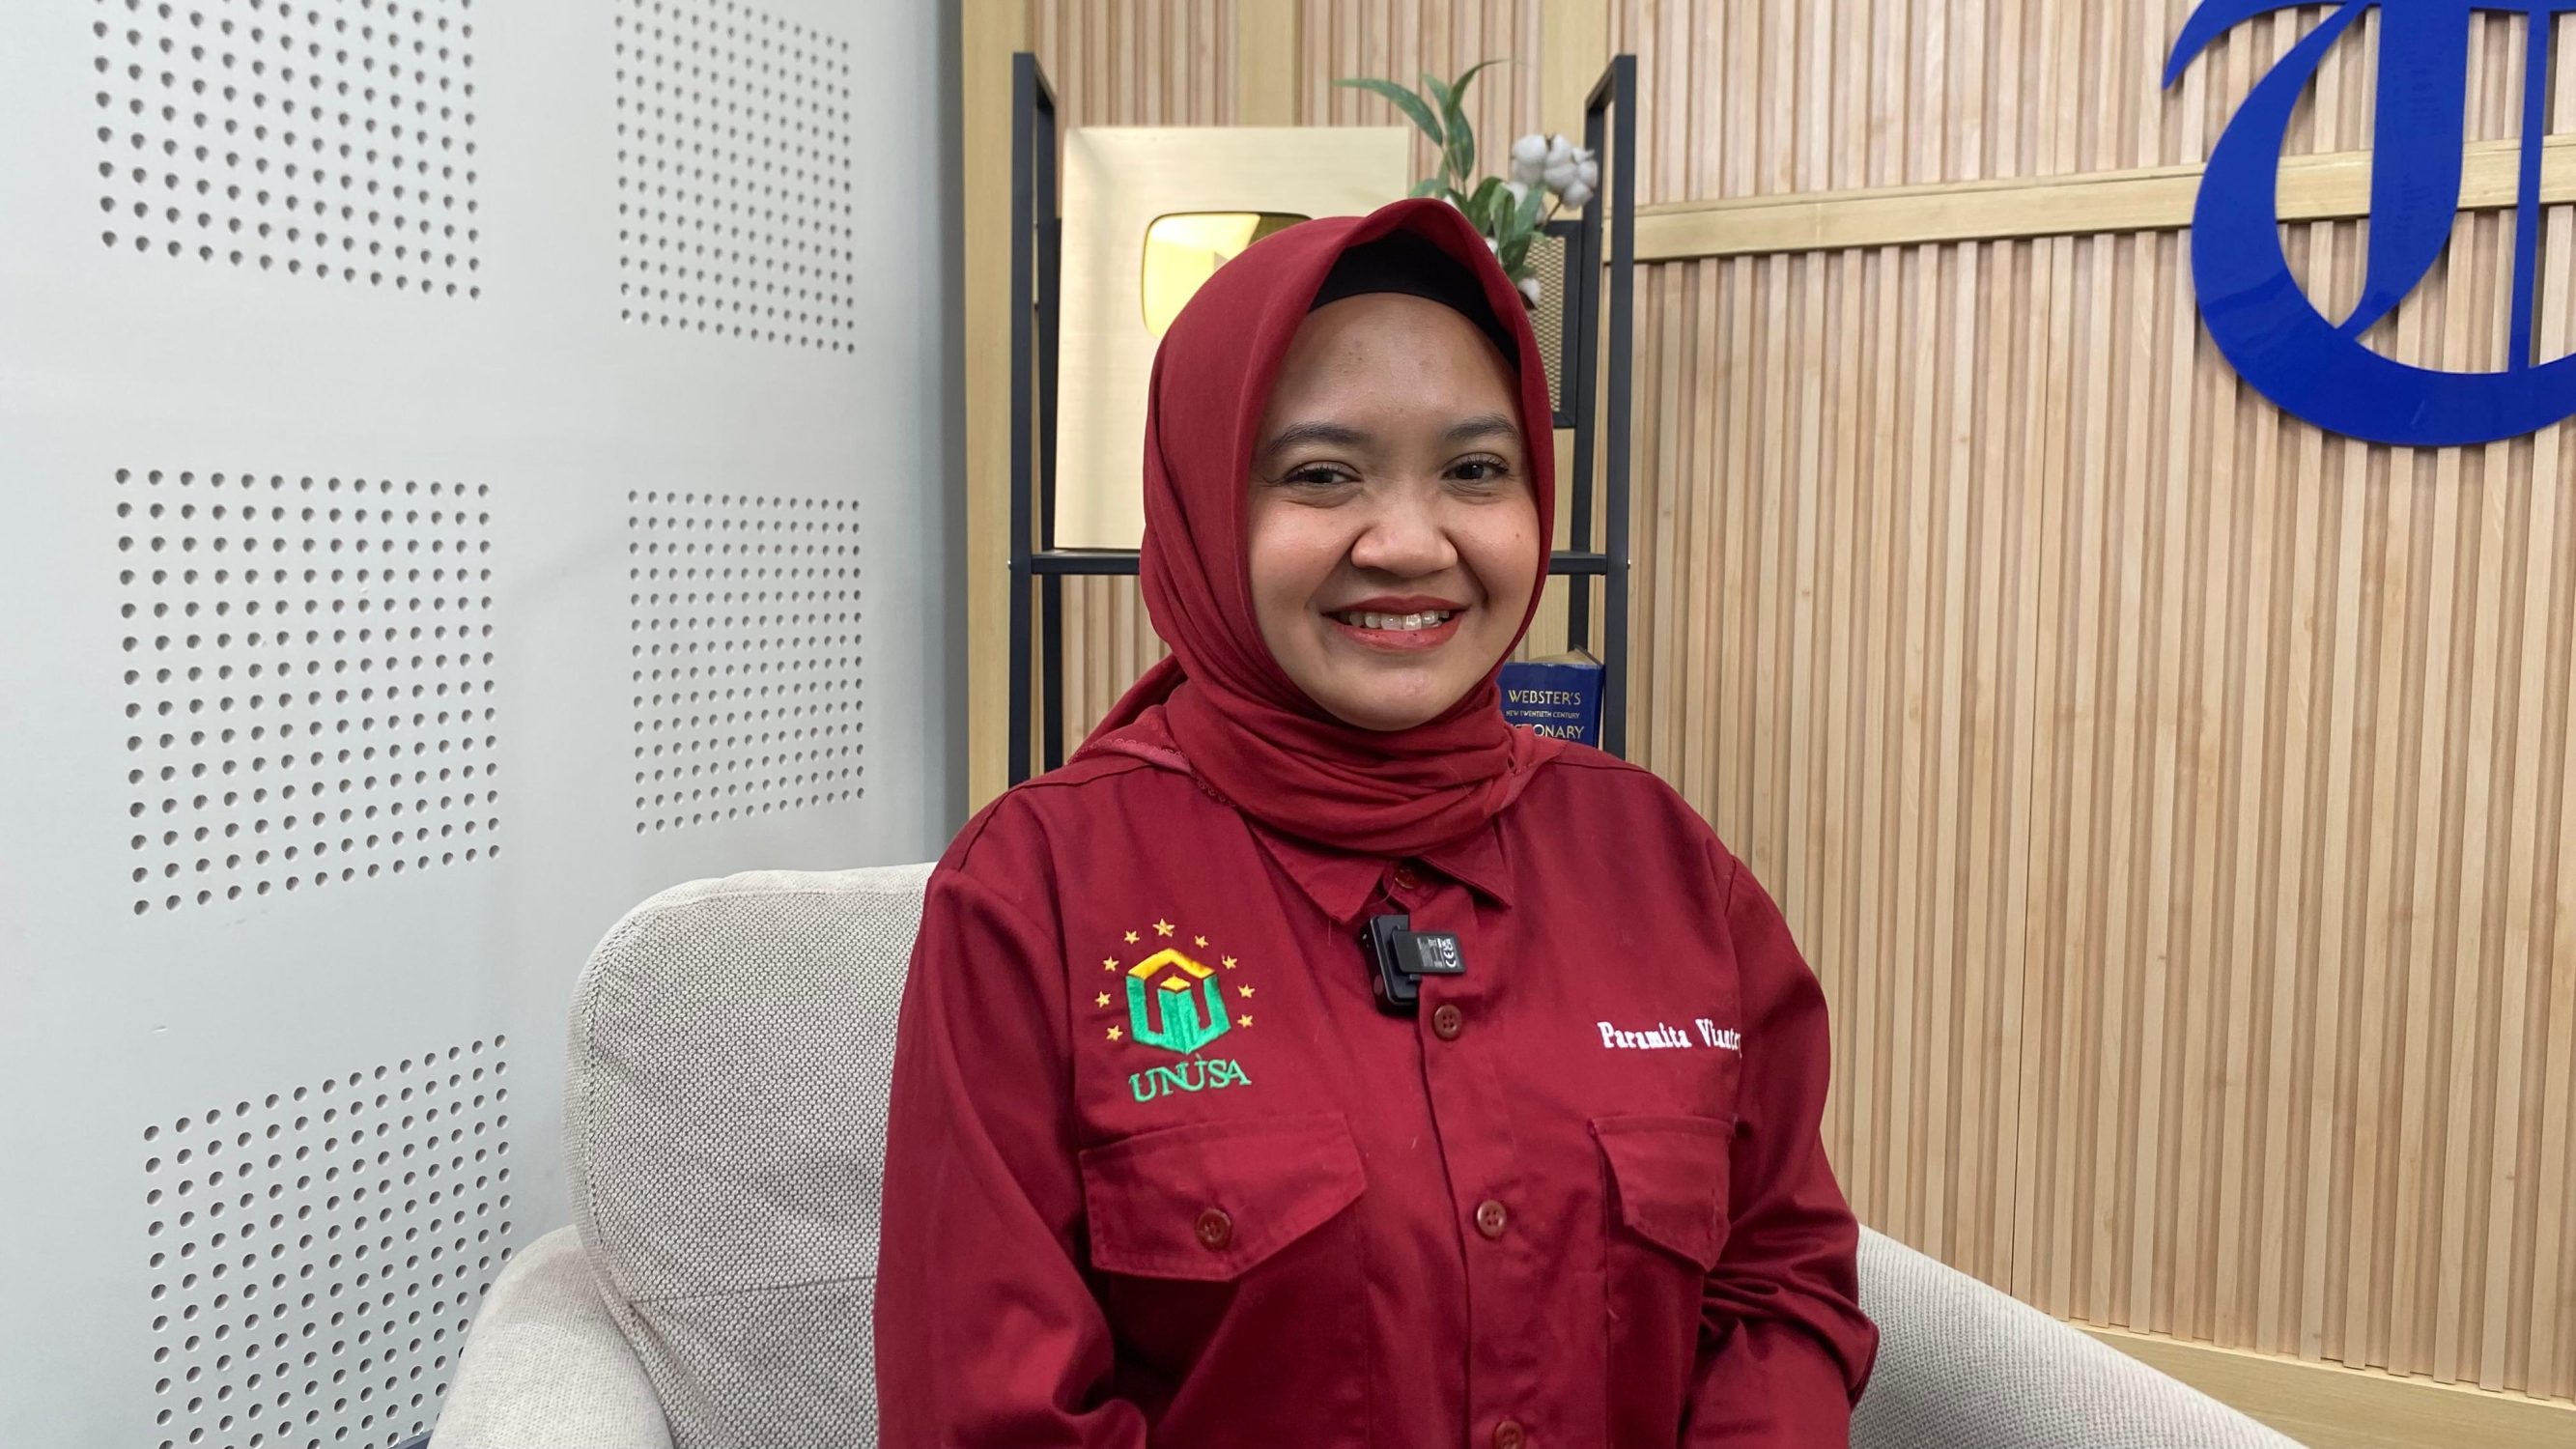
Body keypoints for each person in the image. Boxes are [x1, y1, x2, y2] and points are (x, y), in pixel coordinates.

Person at [874, 198, 1876, 1446]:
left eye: (1475, 470)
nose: (1409, 544)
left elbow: (1779, 1281)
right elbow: (990, 1416)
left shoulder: (1668, 869)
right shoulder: (1036, 897)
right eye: (1322, 474)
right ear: (1203, 503)